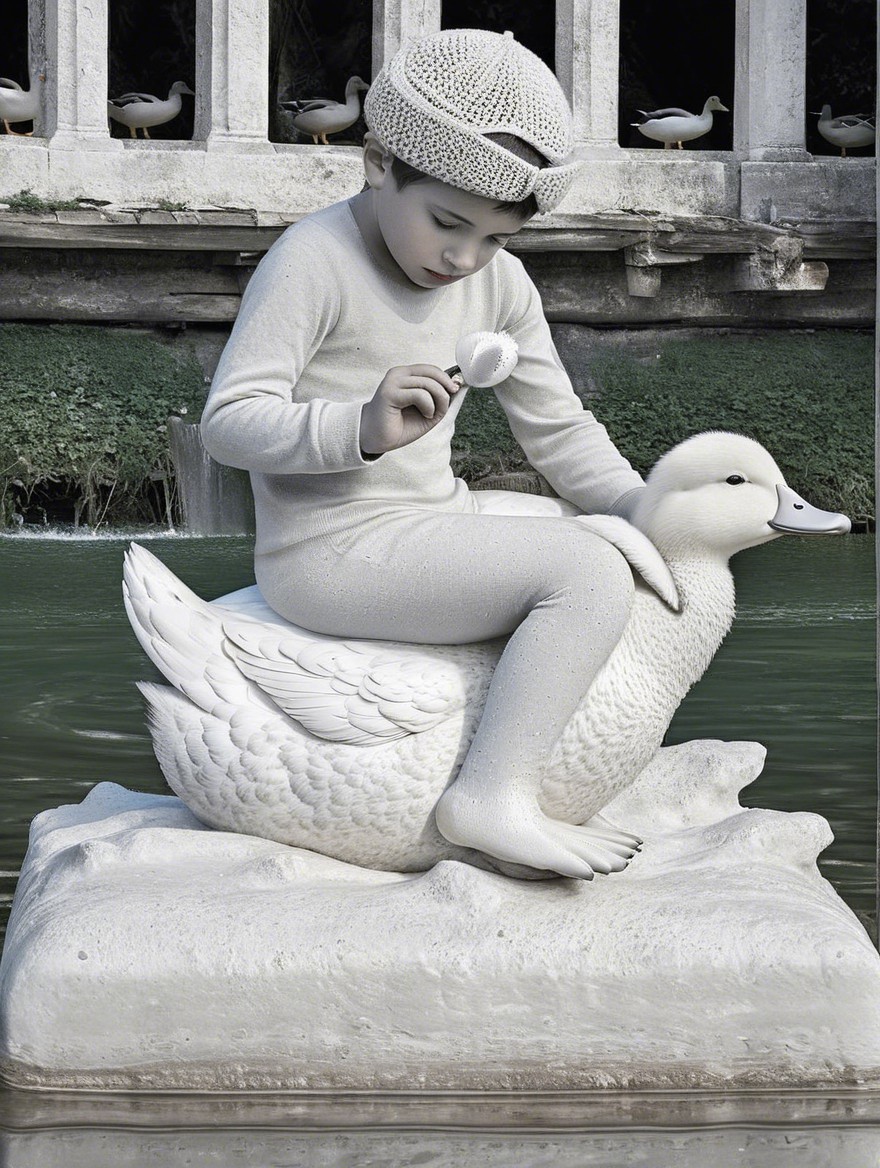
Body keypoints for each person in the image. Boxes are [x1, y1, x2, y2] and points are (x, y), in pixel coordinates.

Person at [201, 28, 646, 879]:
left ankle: (536, 770)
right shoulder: (312, 261)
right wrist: (357, 429)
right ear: (378, 163)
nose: (464, 258)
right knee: (588, 574)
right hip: (328, 551)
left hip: (430, 517)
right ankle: (491, 797)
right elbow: (229, 423)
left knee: (592, 529)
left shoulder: (498, 283)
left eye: (495, 239)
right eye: (448, 223)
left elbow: (558, 428)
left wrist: (646, 511)